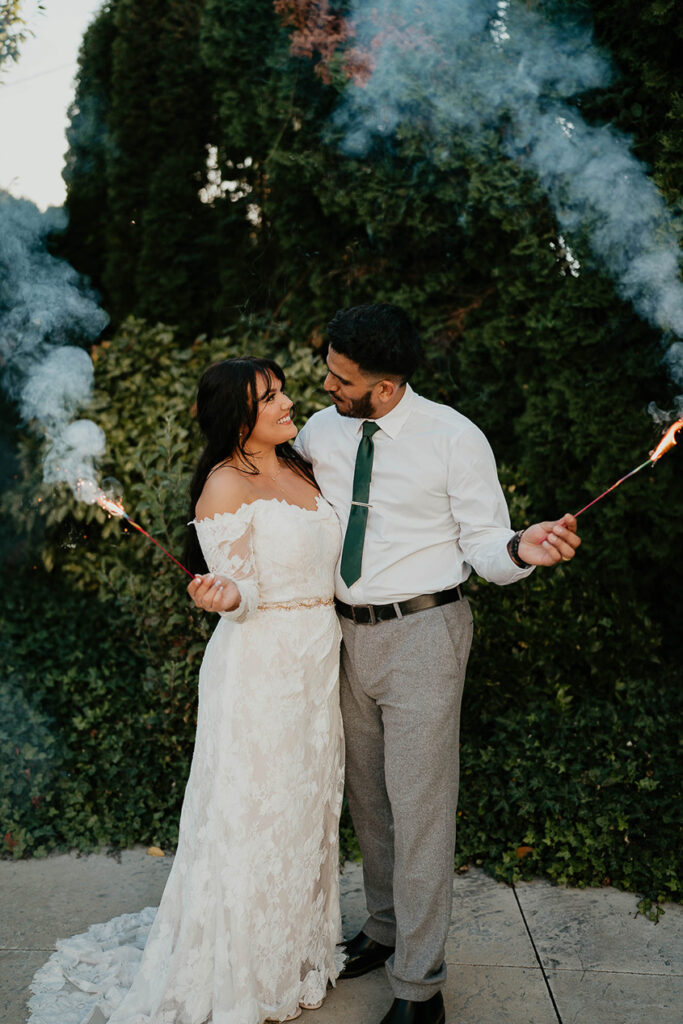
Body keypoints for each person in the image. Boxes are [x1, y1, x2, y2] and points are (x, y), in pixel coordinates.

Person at [190, 304, 582, 1024]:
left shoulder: (453, 438)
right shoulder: (318, 430)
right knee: (367, 802)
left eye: (341, 379)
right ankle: (382, 929)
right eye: (327, 372)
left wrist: (522, 550)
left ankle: (419, 985)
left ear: (386, 382)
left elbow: (488, 541)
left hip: (423, 634)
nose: (326, 387)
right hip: (336, 638)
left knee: (421, 810)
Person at [27, 357, 345, 1024]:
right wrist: (226, 593)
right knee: (254, 815)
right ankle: (242, 969)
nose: (289, 402)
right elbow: (238, 588)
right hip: (260, 668)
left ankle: (291, 954)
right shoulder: (223, 487)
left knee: (305, 809)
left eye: (283, 389)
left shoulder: (301, 463)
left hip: (319, 660)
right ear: (237, 419)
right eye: (271, 397)